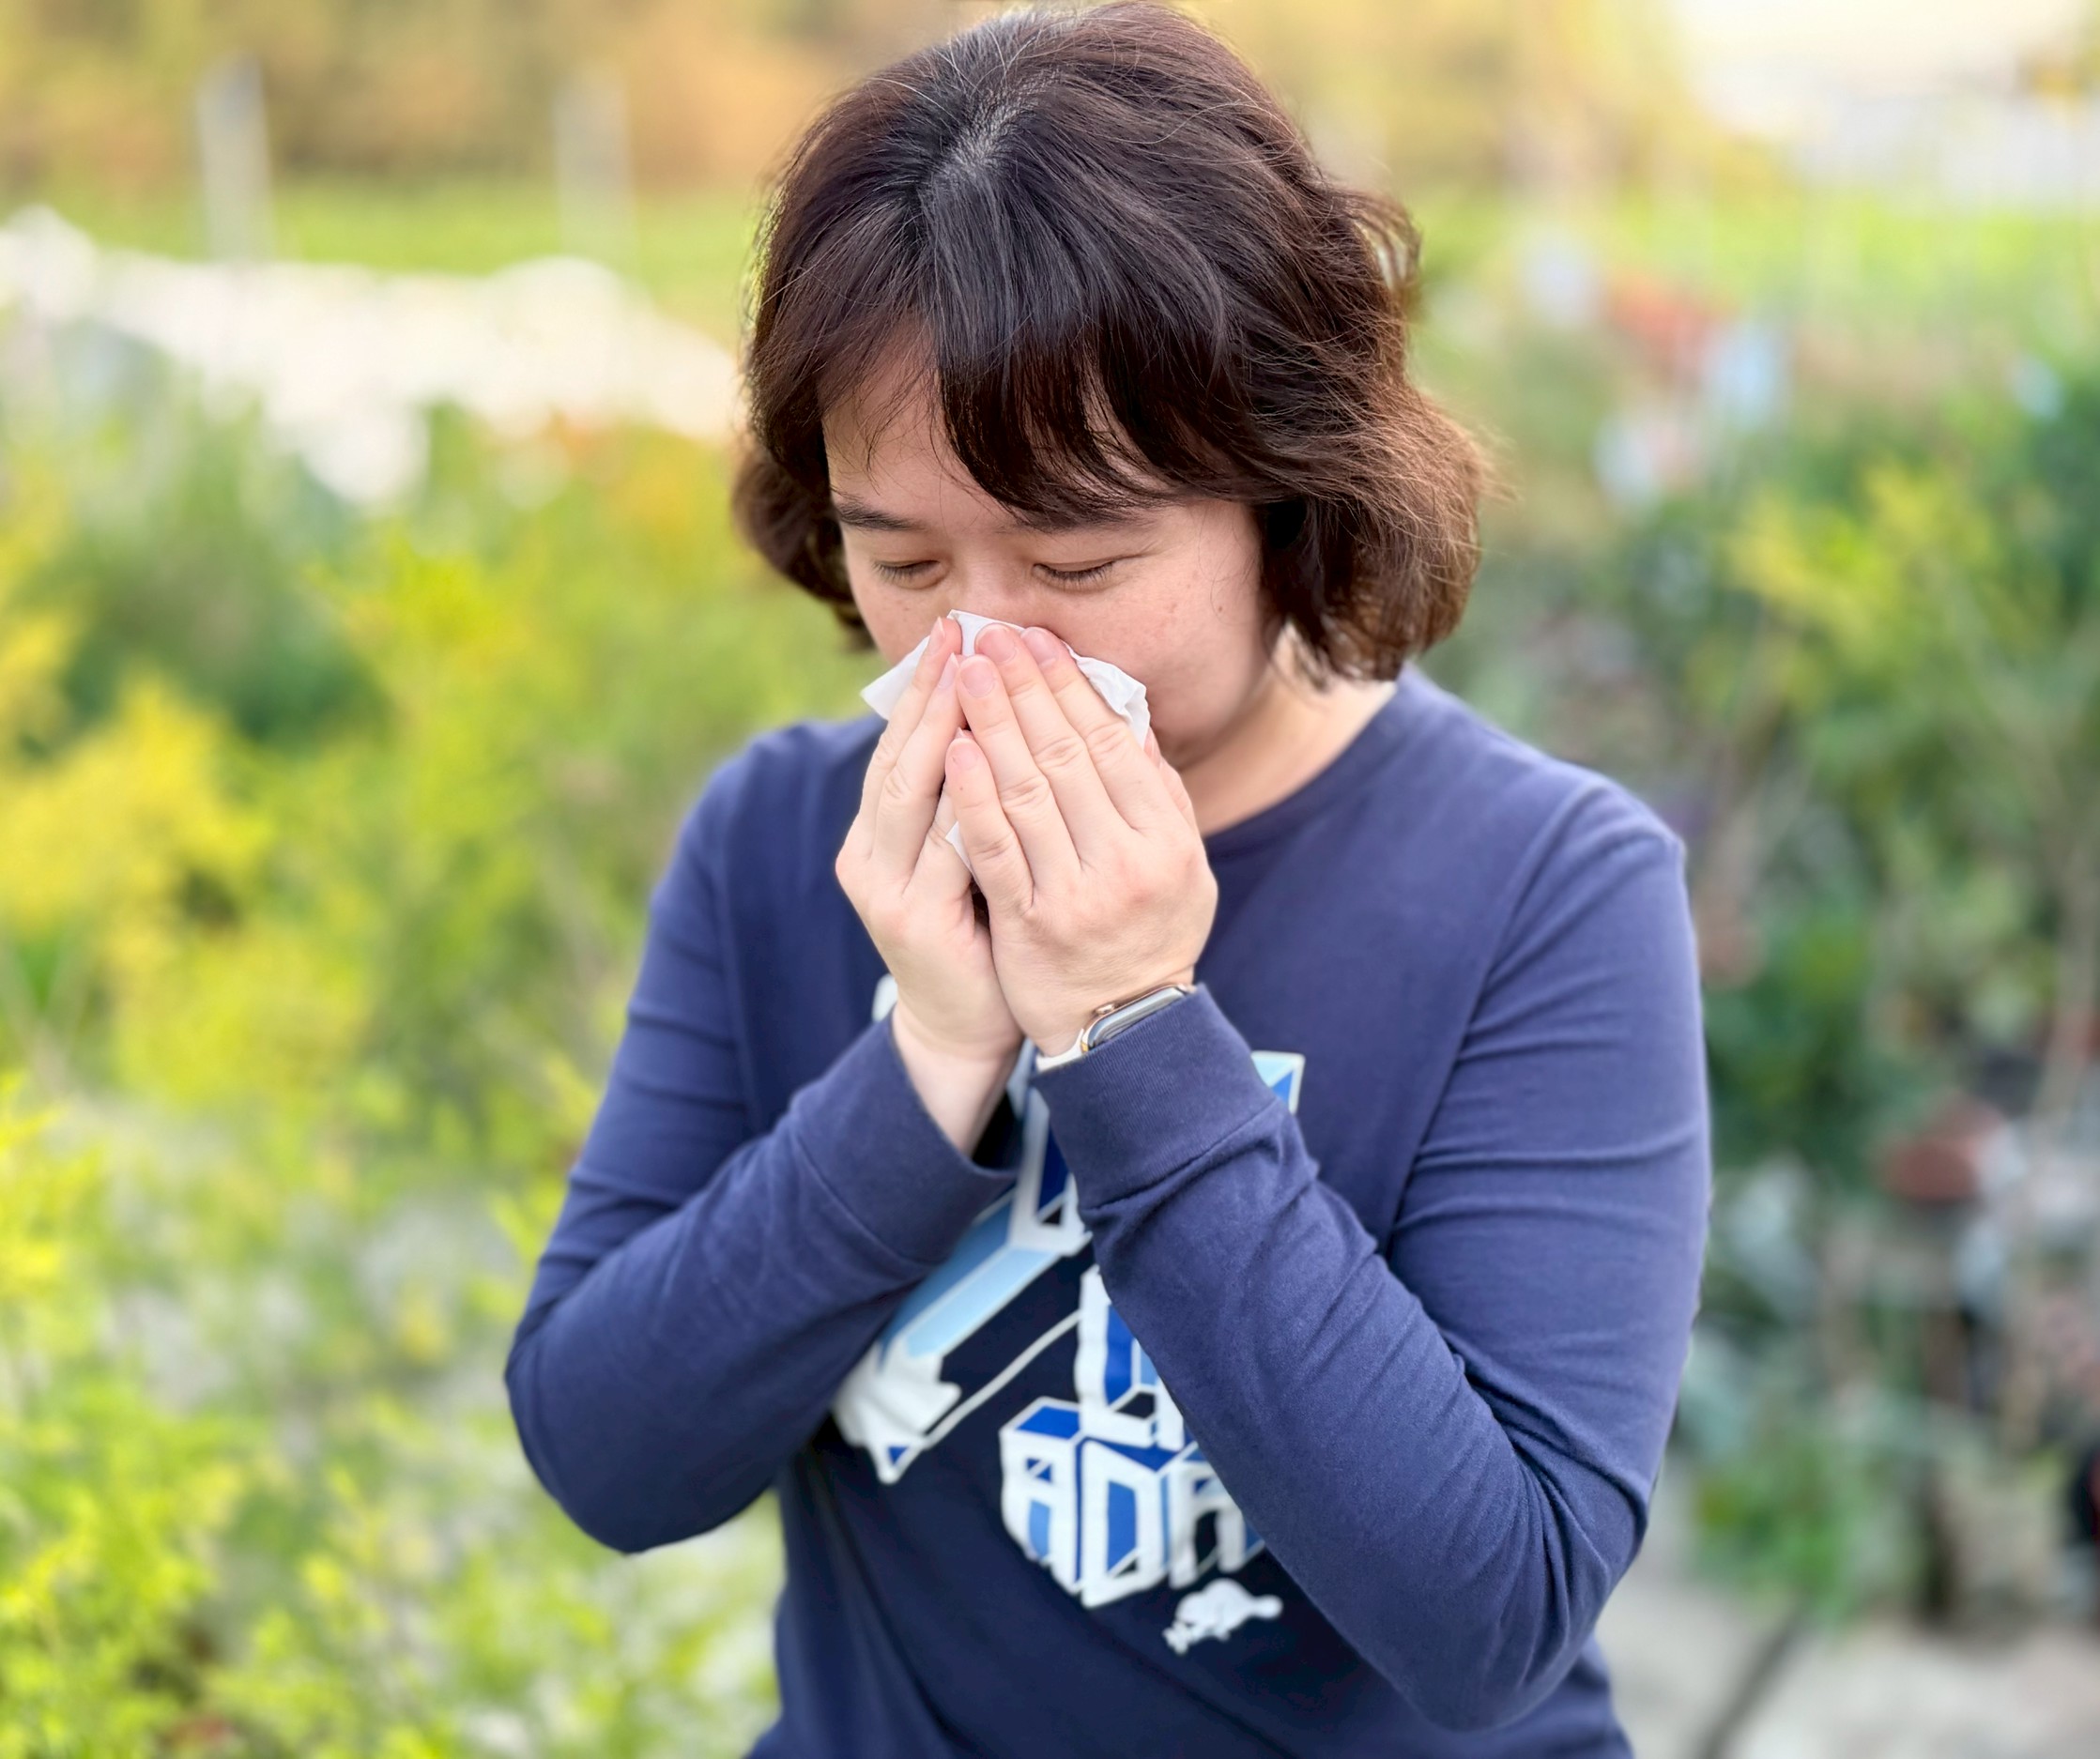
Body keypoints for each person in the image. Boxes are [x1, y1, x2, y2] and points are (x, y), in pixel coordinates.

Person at [504, 5, 1711, 1754]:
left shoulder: (1541, 889)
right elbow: (604, 1456)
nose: (981, 644)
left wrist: (1133, 1030)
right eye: (905, 559)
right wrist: (930, 1053)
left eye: (1074, 560)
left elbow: (1490, 1621)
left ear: (1287, 491)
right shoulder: (781, 840)